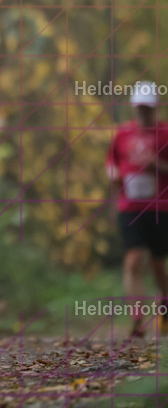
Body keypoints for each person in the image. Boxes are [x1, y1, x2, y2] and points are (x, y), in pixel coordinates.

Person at [106, 81, 168, 339]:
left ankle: (164, 303)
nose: (143, 113)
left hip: (160, 208)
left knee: (156, 262)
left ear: (155, 108)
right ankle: (137, 320)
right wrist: (113, 175)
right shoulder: (122, 134)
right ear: (134, 107)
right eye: (139, 108)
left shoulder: (165, 133)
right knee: (133, 260)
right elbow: (111, 163)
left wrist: (156, 165)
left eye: (147, 108)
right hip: (129, 207)